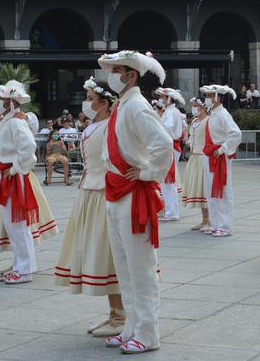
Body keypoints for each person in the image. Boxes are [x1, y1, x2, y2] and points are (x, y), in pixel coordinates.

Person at [97, 50, 172, 354]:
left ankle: (148, 333)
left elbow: (164, 144)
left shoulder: (137, 106)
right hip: (116, 188)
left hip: (132, 191)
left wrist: (146, 173)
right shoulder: (122, 106)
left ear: (130, 75)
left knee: (140, 267)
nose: (111, 76)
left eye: (116, 71)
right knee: (124, 267)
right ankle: (131, 326)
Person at [56, 78, 125, 338]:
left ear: (104, 103)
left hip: (104, 191)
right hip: (90, 191)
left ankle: (121, 316)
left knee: (108, 253)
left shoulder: (112, 126)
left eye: (89, 97)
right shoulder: (94, 126)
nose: (86, 102)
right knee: (100, 254)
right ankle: (114, 314)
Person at [0, 88, 57, 278]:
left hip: (12, 178)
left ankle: (24, 269)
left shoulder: (15, 122)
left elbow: (28, 148)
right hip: (3, 176)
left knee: (18, 226)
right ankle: (19, 265)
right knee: (12, 226)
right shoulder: (5, 122)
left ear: (9, 102)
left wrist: (15, 168)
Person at [199, 85, 241, 237]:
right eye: (207, 95)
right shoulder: (213, 114)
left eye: (210, 96)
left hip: (219, 156)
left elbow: (236, 134)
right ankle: (215, 222)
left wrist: (223, 148)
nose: (207, 98)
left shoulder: (223, 114)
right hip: (210, 155)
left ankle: (225, 225)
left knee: (222, 189)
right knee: (211, 190)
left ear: (217, 97)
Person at [155, 87, 185, 222]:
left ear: (169, 98)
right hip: (174, 144)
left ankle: (171, 212)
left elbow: (167, 127)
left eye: (163, 97)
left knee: (167, 182)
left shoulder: (169, 112)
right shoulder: (175, 111)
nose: (161, 99)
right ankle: (171, 211)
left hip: (170, 145)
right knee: (169, 182)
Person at [182, 97, 210, 231]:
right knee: (198, 189)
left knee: (204, 189)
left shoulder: (208, 121)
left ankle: (209, 220)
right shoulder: (194, 121)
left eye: (195, 106)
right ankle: (204, 219)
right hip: (194, 157)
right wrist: (187, 140)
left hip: (203, 157)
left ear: (203, 107)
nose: (193, 108)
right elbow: (191, 138)